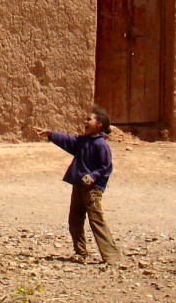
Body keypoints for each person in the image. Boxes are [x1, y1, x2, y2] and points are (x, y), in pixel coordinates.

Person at [35, 107, 124, 266]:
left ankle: (112, 256)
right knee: (75, 220)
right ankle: (81, 252)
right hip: (78, 186)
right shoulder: (84, 141)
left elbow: (106, 167)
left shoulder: (101, 144)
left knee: (96, 221)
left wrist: (93, 176)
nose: (85, 122)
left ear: (99, 124)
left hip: (92, 190)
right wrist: (51, 135)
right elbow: (70, 141)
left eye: (89, 119)